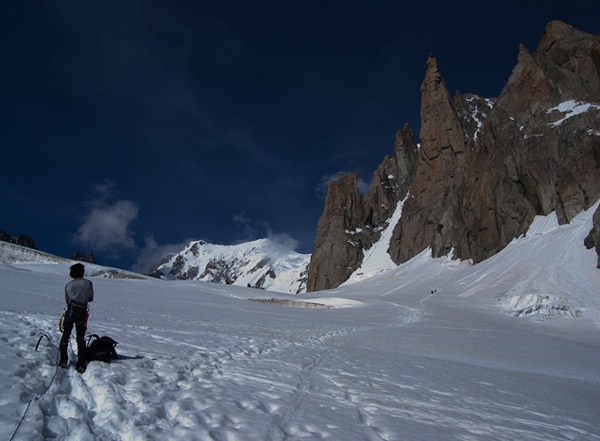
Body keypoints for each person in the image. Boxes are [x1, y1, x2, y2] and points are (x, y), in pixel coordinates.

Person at [59, 263, 94, 371]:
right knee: (80, 337)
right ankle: (80, 363)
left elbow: (67, 299)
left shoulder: (68, 285)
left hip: (70, 310)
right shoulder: (88, 283)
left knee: (66, 335)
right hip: (81, 312)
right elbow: (90, 298)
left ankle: (63, 360)